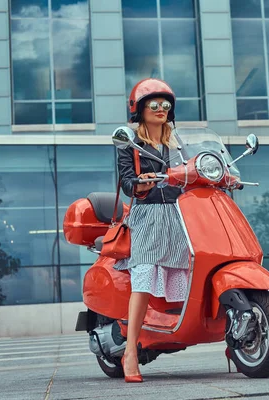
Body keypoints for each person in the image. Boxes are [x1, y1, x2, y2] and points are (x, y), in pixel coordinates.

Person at [114, 78, 190, 382]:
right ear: (140, 109)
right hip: (147, 215)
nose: (161, 109)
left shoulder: (179, 144)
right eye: (154, 104)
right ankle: (130, 351)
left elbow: (197, 170)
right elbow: (126, 183)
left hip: (179, 214)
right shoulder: (129, 143)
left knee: (195, 273)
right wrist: (141, 183)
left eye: (165, 105)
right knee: (143, 278)